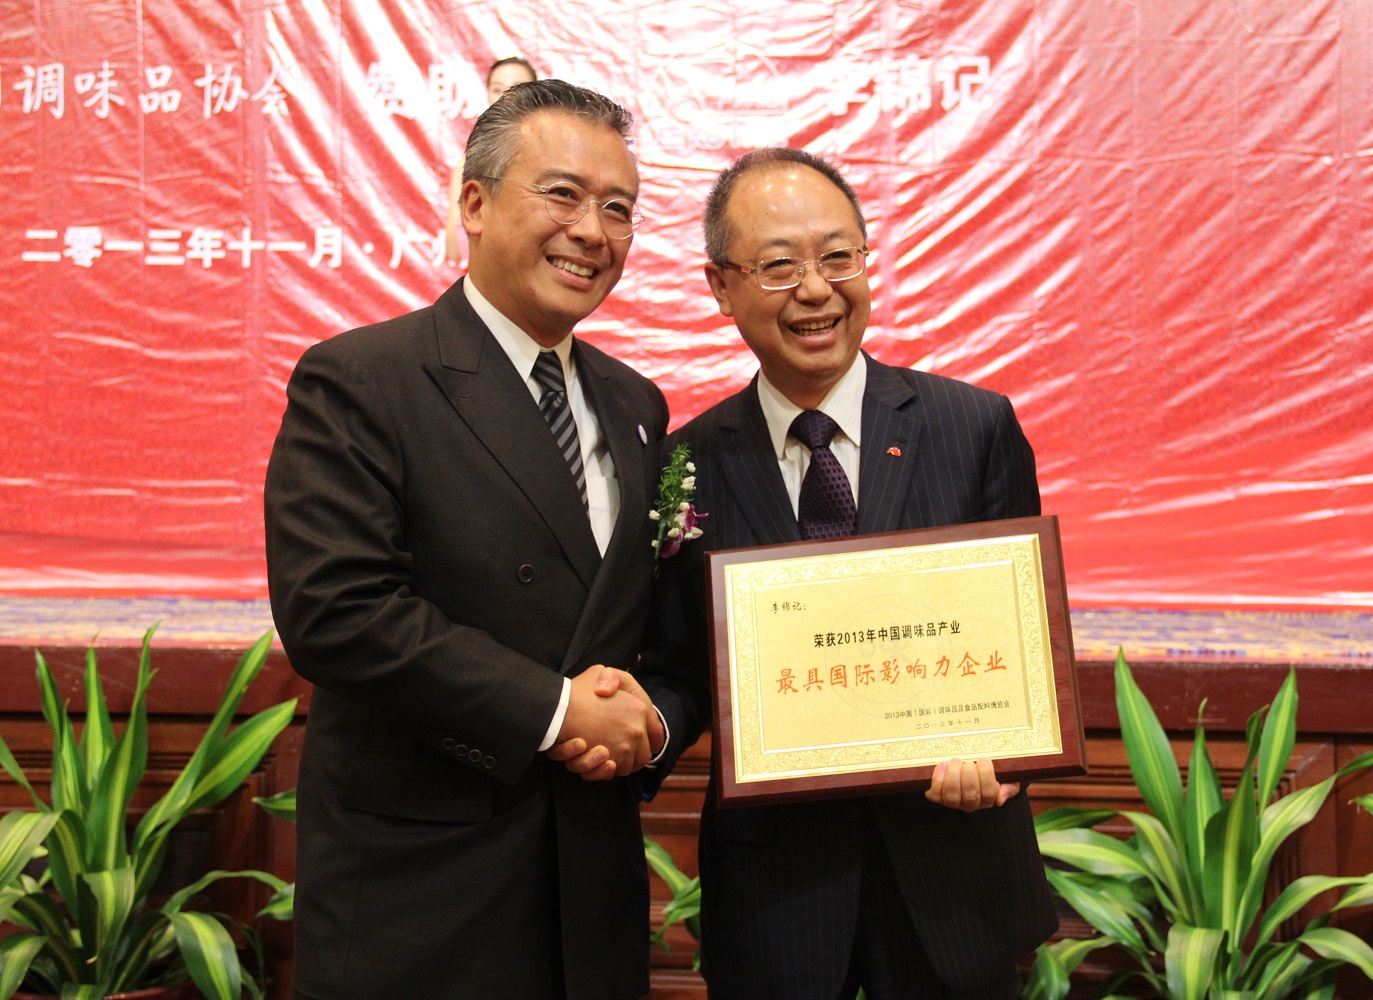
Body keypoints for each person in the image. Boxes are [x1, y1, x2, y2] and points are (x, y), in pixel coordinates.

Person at [265, 79, 667, 1000]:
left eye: (618, 209)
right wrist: (557, 712)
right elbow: (338, 613)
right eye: (562, 195)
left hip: (590, 897)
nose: (593, 232)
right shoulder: (363, 378)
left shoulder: (636, 405)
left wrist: (646, 723)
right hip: (422, 900)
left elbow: (641, 625)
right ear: (475, 204)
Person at [626, 148, 1058, 999]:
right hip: (778, 896)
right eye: (779, 266)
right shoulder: (685, 465)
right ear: (721, 287)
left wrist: (1007, 754)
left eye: (838, 256)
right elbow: (680, 670)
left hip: (952, 882)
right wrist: (634, 732)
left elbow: (1021, 648)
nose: (817, 290)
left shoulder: (973, 428)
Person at [444, 56, 539, 265]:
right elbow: (453, 249)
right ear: (488, 95)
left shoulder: (553, 157)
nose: (505, 97)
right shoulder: (468, 164)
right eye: (497, 89)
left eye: (516, 88)